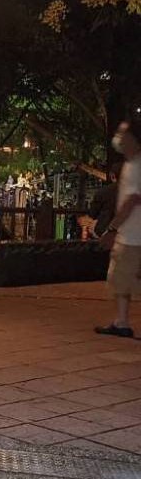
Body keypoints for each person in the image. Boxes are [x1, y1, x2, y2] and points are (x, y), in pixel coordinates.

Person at [95, 119, 141, 338]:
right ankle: (121, 321)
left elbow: (131, 201)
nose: (118, 139)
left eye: (123, 134)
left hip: (132, 235)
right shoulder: (131, 164)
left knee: (121, 278)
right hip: (130, 233)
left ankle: (122, 322)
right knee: (122, 279)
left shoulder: (136, 166)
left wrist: (112, 229)